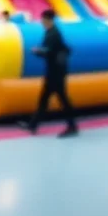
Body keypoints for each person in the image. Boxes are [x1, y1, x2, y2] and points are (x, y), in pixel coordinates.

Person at [26, 9, 79, 138]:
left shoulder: (53, 34)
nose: (41, 22)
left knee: (62, 99)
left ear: (48, 20)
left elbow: (49, 52)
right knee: (45, 99)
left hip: (56, 73)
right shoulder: (51, 32)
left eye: (43, 20)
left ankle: (72, 126)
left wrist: (37, 51)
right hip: (54, 71)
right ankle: (33, 124)